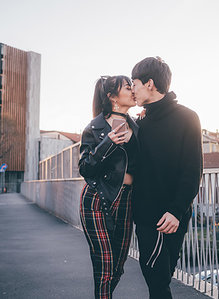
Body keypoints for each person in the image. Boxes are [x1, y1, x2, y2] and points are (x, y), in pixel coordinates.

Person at [131, 57, 203, 298]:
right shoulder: (141, 123)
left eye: (135, 83)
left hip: (173, 217)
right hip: (145, 217)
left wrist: (176, 210)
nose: (132, 89)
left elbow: (193, 170)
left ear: (150, 84)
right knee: (158, 282)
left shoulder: (187, 117)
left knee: (160, 280)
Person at [79, 75, 138, 299]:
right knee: (104, 265)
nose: (133, 90)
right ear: (112, 96)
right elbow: (85, 168)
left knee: (118, 267)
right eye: (127, 87)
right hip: (97, 199)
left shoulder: (137, 125)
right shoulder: (94, 128)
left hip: (126, 200)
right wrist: (107, 144)